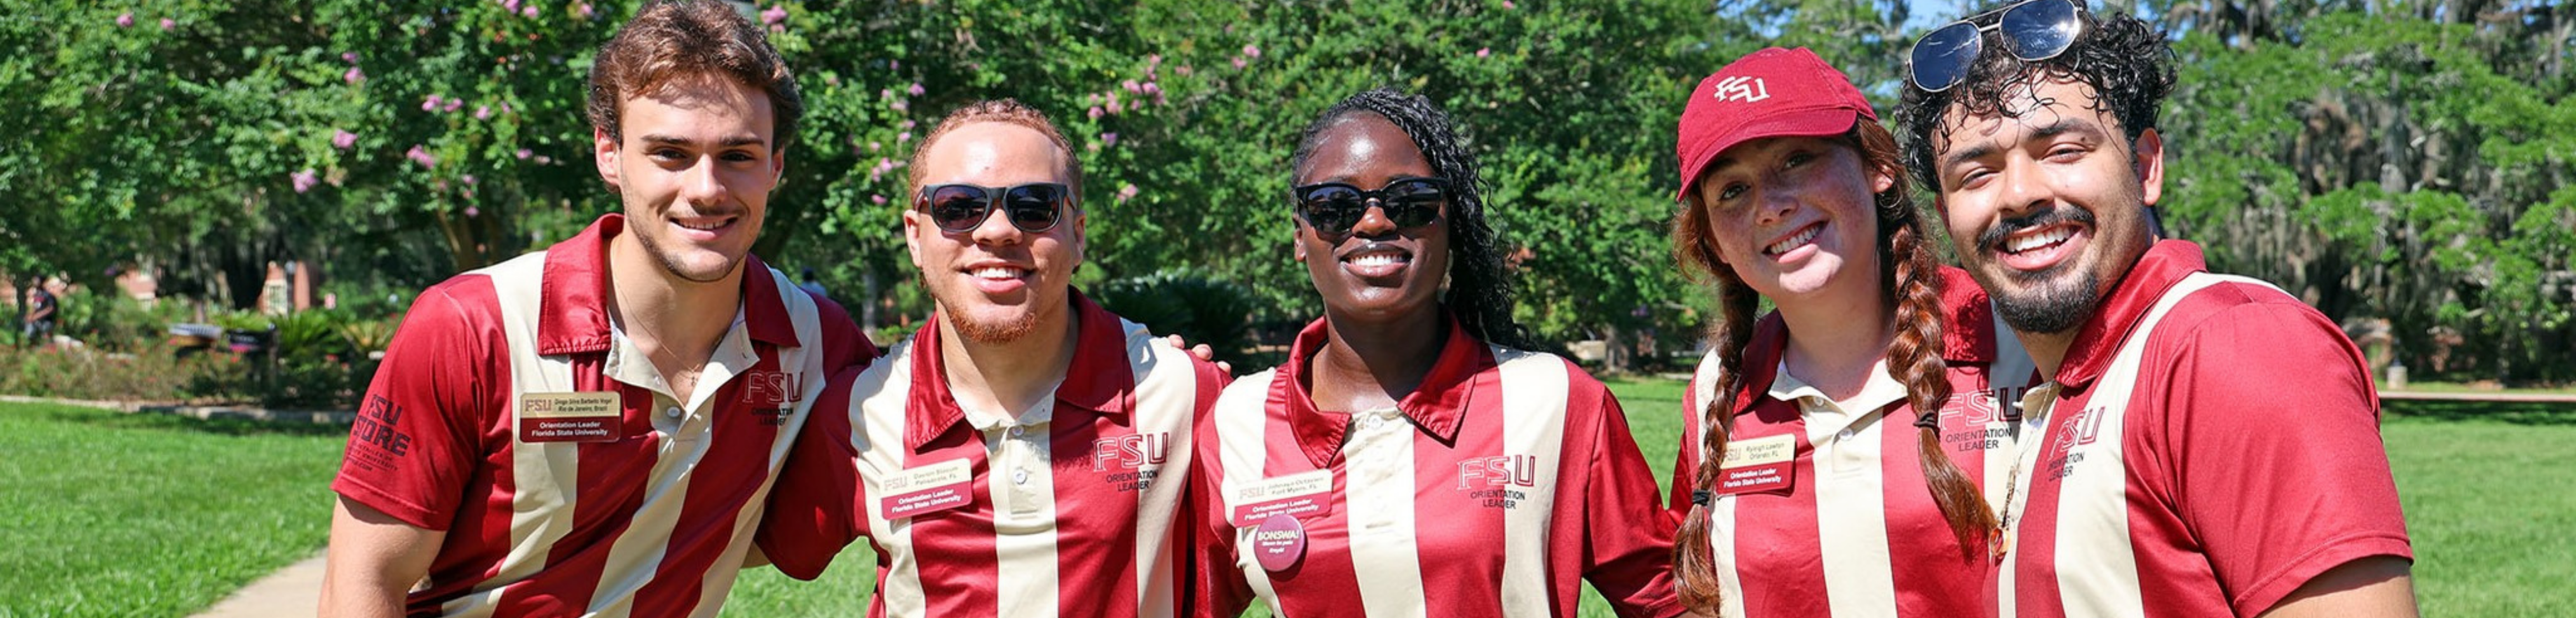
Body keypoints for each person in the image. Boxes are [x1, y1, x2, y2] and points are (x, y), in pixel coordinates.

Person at [317, 2, 875, 616]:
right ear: (609, 154)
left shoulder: (818, 341)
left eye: (738, 155)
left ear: (776, 166)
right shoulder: (472, 325)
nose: (707, 188)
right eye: (670, 153)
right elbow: (363, 581)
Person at [1894, 1, 2416, 616]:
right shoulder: (2062, 385)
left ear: (2145, 167)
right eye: (1975, 174)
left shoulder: (2229, 346)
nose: (2019, 195)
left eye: (2061, 151)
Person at [1191, 88, 1687, 618]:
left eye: (1412, 202)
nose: (1376, 223)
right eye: (1334, 207)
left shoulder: (1556, 401)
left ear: (1451, 224)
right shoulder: (1235, 422)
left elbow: (1664, 599)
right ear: (1300, 236)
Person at [753, 98, 1227, 617]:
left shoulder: (1187, 393)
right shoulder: (858, 411)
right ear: (916, 236)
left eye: (1033, 206)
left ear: (1079, 235)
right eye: (958, 206)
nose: (997, 231)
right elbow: (727, 545)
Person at [1664, 47, 2039, 618]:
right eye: (1732, 191)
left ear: (1876, 167)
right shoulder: (1719, 381)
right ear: (1712, 239)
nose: (1770, 206)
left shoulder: (2018, 331)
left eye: (1796, 159)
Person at [22, 278, 57, 346]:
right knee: (30, 333)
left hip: (46, 321)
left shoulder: (48, 296)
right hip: (37, 321)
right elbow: (36, 307)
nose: (35, 282)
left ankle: (51, 350)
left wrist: (36, 316)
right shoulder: (37, 295)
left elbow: (50, 309)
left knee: (46, 337)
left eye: (37, 280)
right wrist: (30, 316)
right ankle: (32, 349)